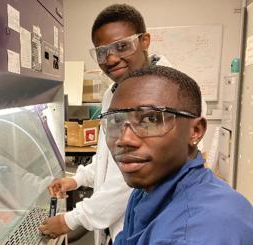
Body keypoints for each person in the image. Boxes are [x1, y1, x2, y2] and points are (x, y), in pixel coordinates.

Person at [39, 4, 207, 244]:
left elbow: (132, 175)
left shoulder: (169, 92)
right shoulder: (114, 91)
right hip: (121, 224)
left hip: (154, 224)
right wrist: (77, 179)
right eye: (101, 52)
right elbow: (108, 156)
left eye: (121, 46)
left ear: (145, 40)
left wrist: (71, 220)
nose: (111, 58)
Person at [101, 65, 253, 244]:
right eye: (116, 121)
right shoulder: (149, 189)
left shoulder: (194, 233)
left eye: (151, 119)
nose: (124, 139)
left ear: (195, 131)